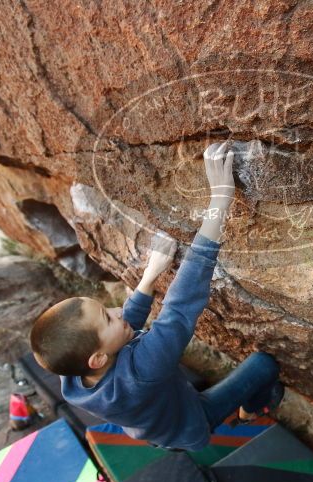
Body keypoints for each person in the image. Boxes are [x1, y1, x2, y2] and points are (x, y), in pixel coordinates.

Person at [29, 140, 284, 451]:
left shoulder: (74, 377)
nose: (117, 311)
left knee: (124, 342)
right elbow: (179, 309)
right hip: (193, 424)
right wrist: (220, 198)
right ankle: (254, 408)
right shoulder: (140, 373)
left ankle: (244, 407)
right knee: (264, 366)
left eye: (107, 308)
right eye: (107, 317)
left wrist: (149, 277)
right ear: (96, 359)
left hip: (159, 419)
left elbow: (120, 336)